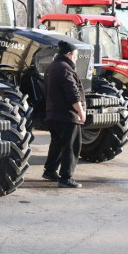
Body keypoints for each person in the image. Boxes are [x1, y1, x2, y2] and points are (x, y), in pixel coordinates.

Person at [41, 40, 86, 189]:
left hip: (52, 114)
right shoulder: (66, 69)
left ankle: (50, 171)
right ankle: (66, 177)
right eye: (75, 56)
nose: (76, 58)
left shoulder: (51, 67)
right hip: (67, 116)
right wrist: (80, 111)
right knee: (71, 146)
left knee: (57, 144)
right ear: (69, 54)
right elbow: (72, 93)